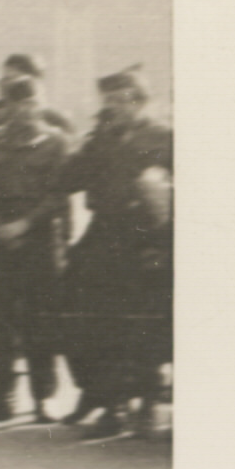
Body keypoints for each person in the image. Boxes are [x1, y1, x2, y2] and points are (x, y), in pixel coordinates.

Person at [55, 66, 173, 435]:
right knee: (94, 320)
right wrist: (86, 146)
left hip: (145, 238)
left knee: (142, 324)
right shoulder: (100, 138)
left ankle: (148, 400)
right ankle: (110, 403)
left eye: (120, 100)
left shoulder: (164, 137)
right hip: (104, 235)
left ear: (140, 101)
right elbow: (67, 180)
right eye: (107, 101)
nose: (113, 107)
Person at [0, 76, 73, 424]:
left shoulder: (56, 143)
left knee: (41, 322)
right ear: (7, 106)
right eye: (17, 103)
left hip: (38, 241)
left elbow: (58, 195)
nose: (25, 110)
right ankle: (2, 397)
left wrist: (24, 225)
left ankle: (44, 396)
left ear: (41, 103)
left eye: (32, 102)